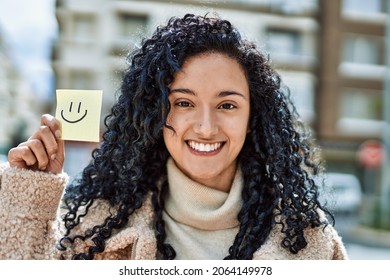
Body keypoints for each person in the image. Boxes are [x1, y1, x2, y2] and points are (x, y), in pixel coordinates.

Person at [0, 13, 348, 260]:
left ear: (252, 117)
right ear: (155, 111)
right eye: (183, 102)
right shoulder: (94, 227)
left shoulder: (312, 244)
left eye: (227, 105)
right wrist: (32, 195)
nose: (206, 127)